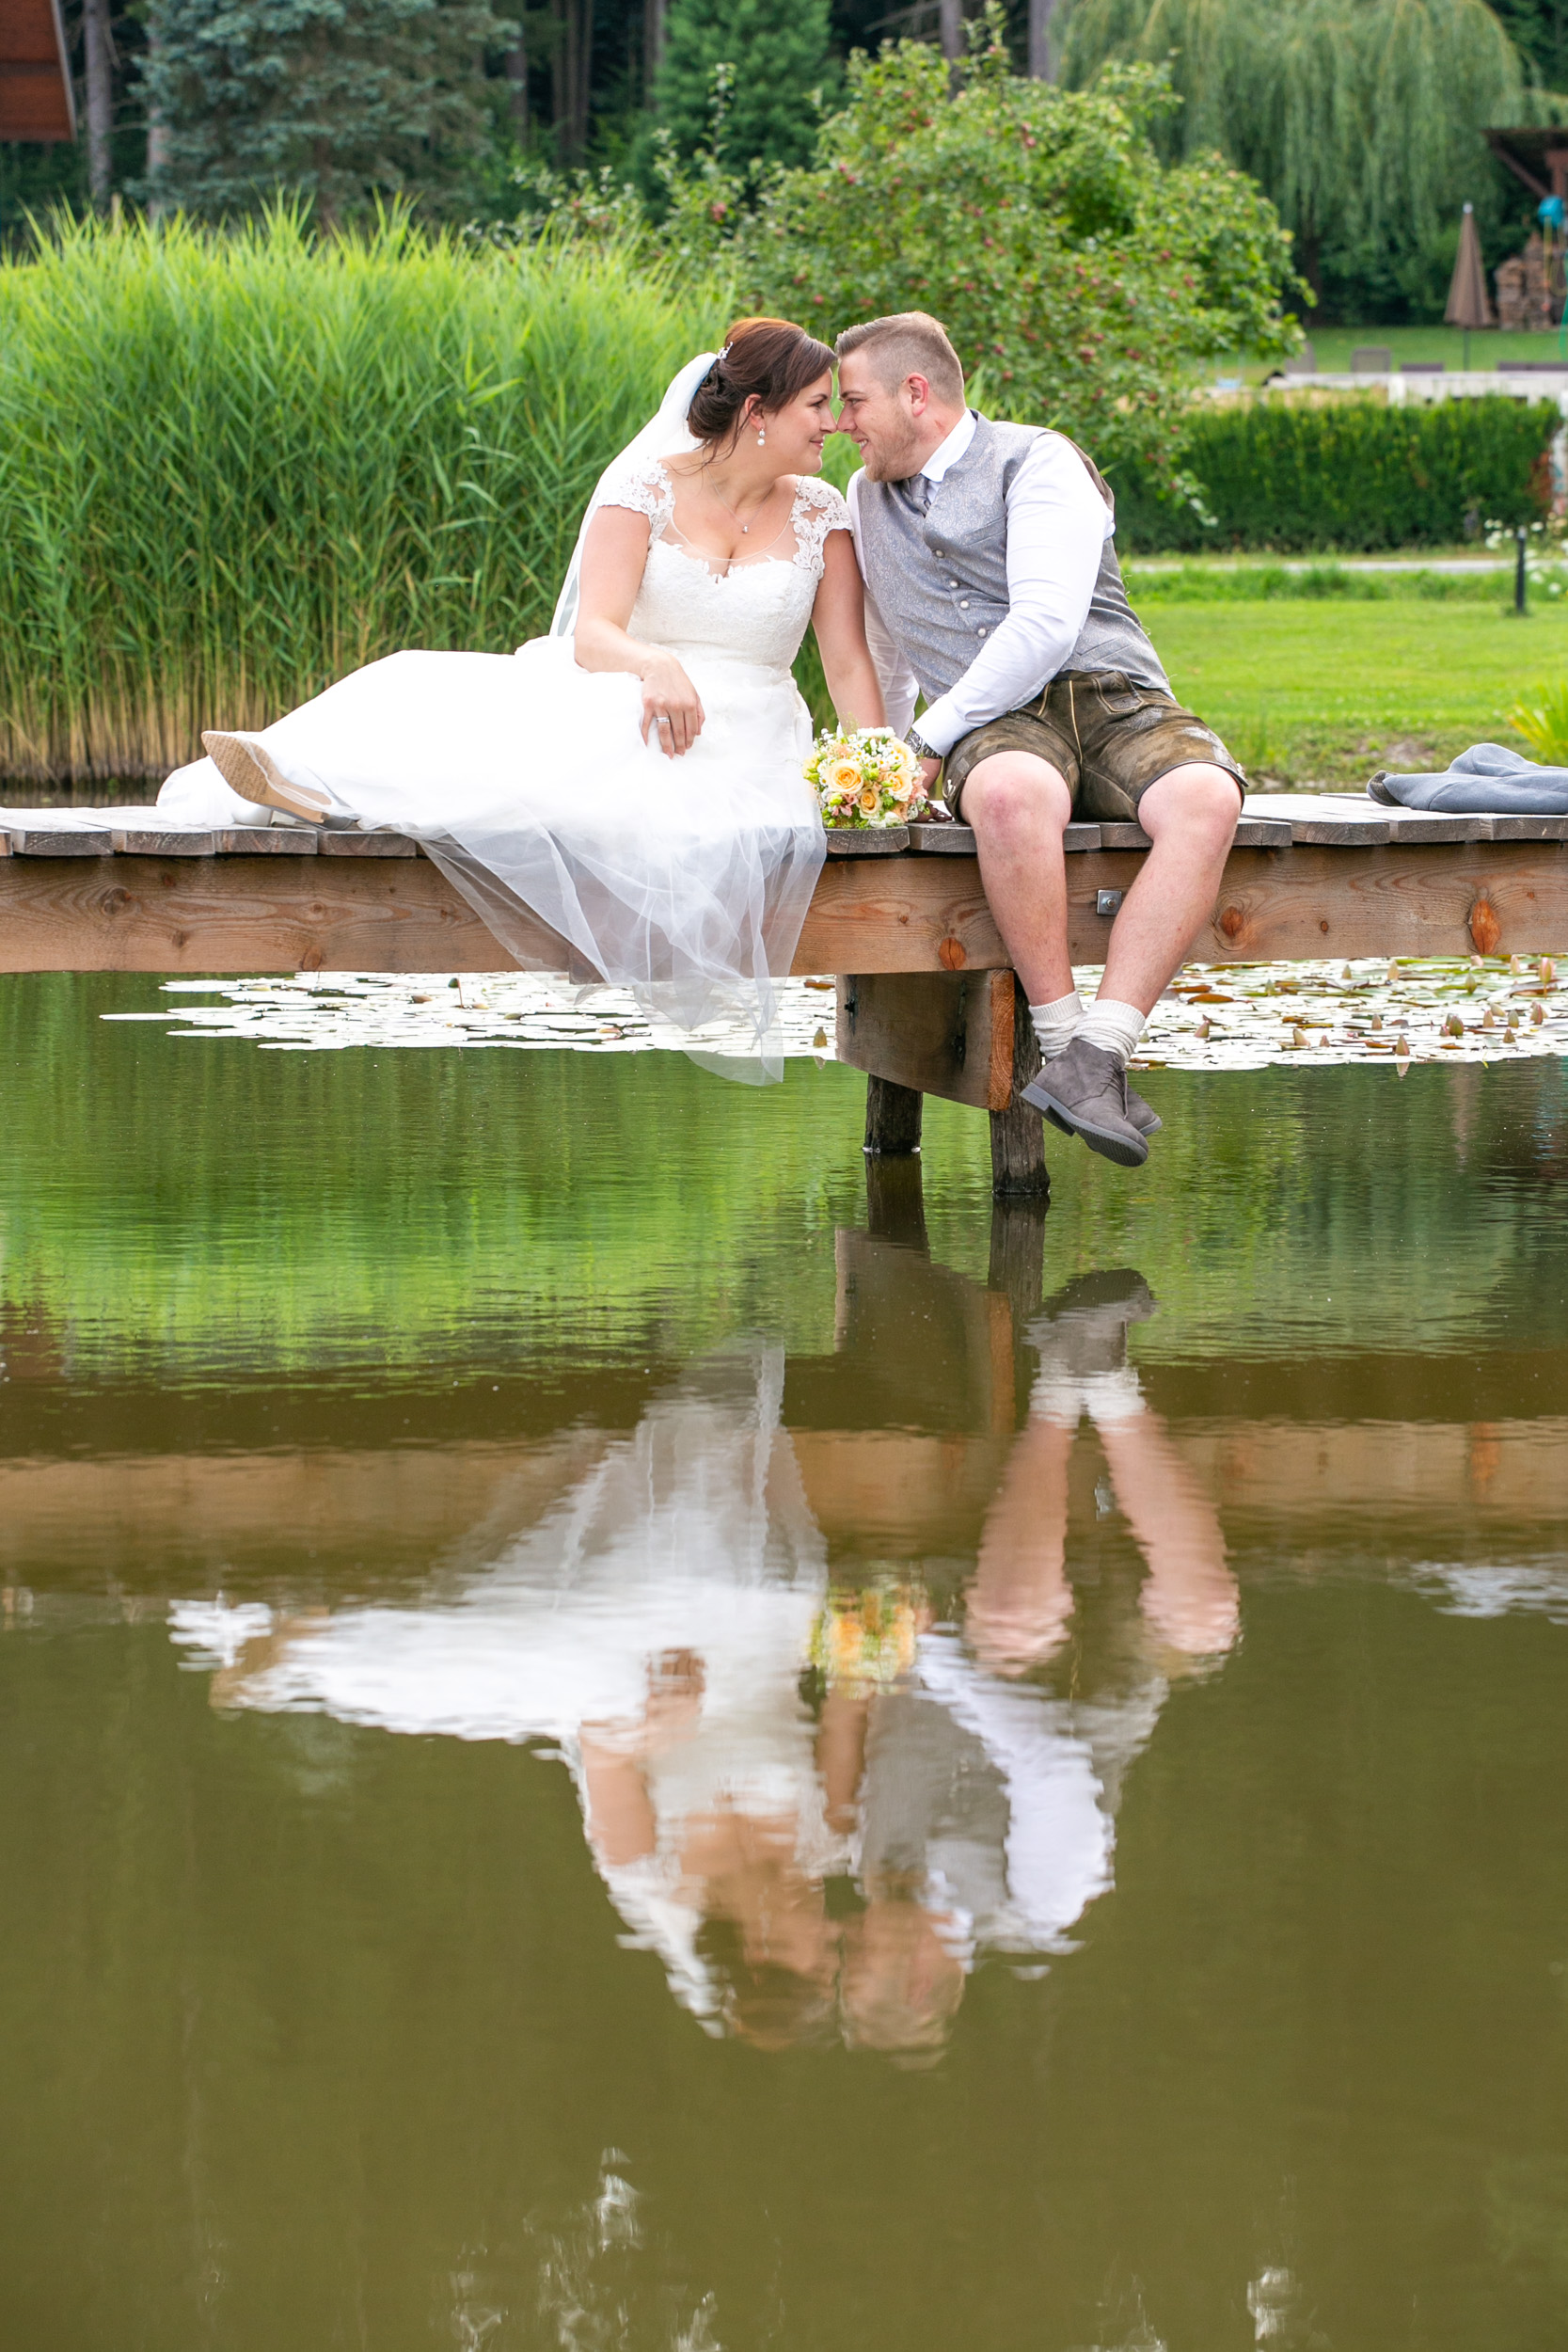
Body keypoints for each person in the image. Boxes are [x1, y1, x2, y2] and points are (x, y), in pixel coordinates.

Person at [156, 319, 886, 1077]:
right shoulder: (642, 489)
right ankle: (299, 776)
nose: (833, 421)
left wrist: (874, 775)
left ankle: (334, 794)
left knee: (581, 787)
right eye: (815, 404)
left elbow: (845, 662)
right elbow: (593, 634)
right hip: (636, 690)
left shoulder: (820, 513)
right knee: (433, 684)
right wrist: (654, 665)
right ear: (756, 413)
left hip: (753, 729)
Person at [835, 310, 1246, 1168]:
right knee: (1008, 797)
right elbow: (888, 643)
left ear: (917, 394)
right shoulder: (862, 496)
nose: (843, 421)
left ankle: (1098, 1053)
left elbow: (1047, 624)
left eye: (854, 401)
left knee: (1207, 795)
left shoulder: (1037, 458)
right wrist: (882, 763)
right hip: (997, 724)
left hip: (1109, 694)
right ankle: (1068, 1052)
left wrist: (928, 738)